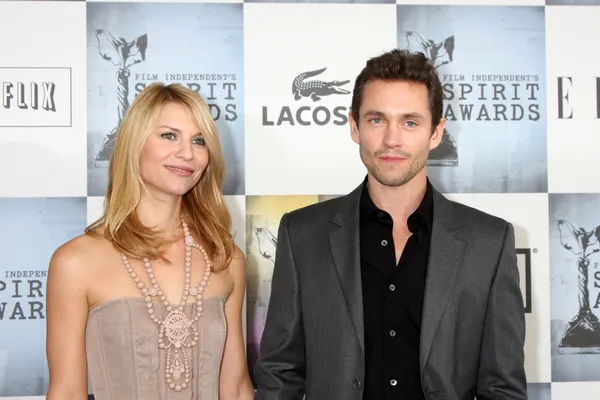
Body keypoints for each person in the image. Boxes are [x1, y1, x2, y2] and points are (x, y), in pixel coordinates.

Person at [253, 49, 527, 400]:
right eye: (377, 120)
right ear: (354, 126)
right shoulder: (302, 234)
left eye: (410, 122)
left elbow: (502, 387)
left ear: (436, 132)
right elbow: (280, 374)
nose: (392, 140)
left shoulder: (489, 241)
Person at [45, 83, 254, 400]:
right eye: (169, 135)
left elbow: (236, 388)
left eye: (199, 141)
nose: (186, 153)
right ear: (134, 143)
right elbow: (67, 391)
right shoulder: (75, 262)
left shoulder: (226, 258)